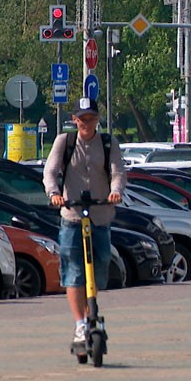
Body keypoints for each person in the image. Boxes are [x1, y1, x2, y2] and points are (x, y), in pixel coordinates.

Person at [43, 97, 126, 348]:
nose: (85, 123)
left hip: (100, 215)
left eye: (90, 118)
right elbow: (50, 171)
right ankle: (80, 323)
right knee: (74, 270)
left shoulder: (108, 143)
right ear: (74, 120)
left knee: (101, 262)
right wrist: (54, 193)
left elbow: (118, 172)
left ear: (97, 119)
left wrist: (115, 192)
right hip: (72, 215)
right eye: (81, 119)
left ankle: (92, 308)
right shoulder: (64, 142)